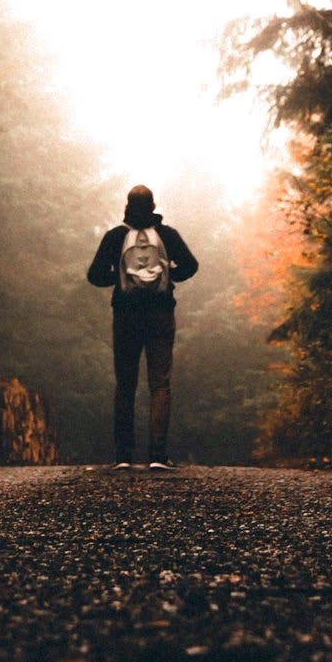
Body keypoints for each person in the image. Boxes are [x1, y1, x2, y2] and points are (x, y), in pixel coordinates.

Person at [87, 185, 199, 469]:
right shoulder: (167, 235)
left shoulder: (116, 237)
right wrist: (166, 275)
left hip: (125, 315)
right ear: (153, 206)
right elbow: (191, 265)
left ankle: (124, 456)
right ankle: (157, 456)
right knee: (159, 383)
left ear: (127, 205)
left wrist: (122, 278)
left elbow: (94, 275)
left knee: (125, 383)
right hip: (160, 313)